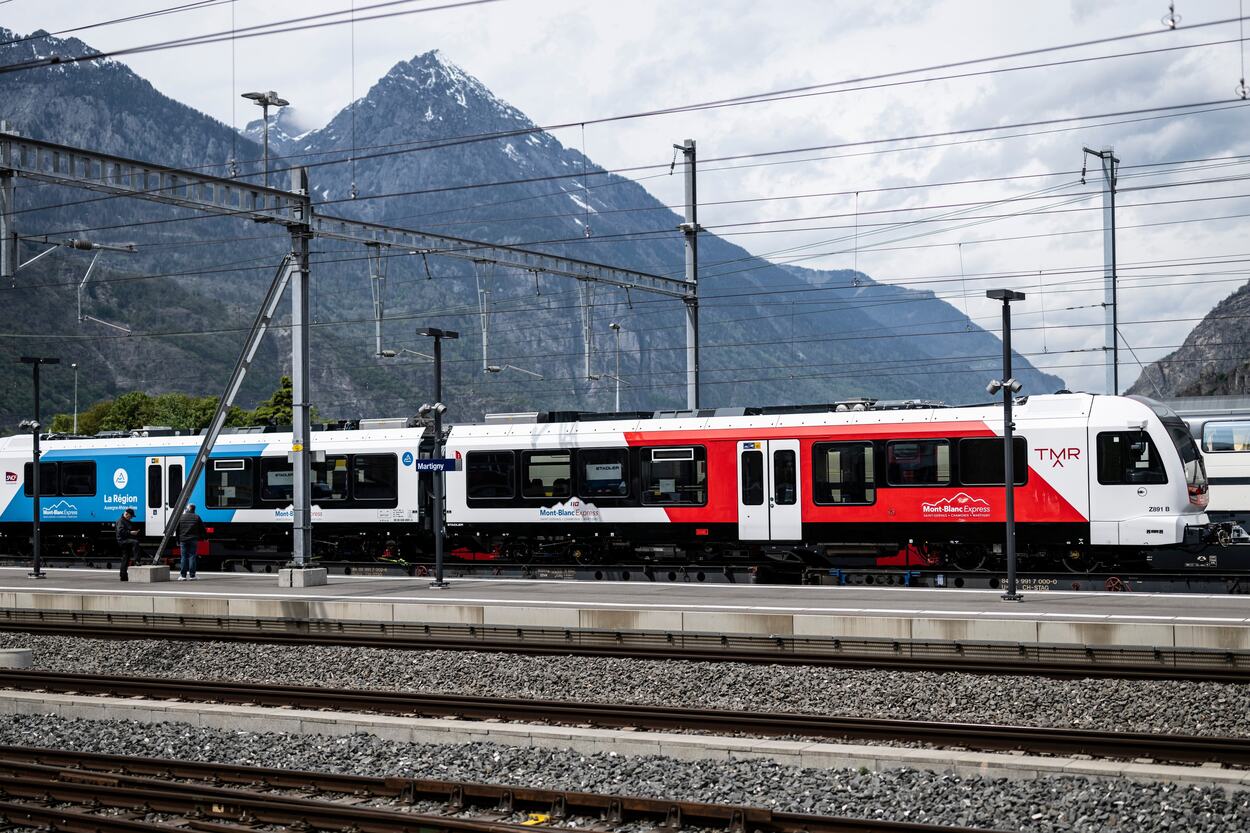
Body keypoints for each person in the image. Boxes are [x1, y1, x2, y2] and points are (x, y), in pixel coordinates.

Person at [177, 504, 206, 581]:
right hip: (193, 539)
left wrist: (177, 540)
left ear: (188, 509)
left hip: (183, 540)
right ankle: (192, 576)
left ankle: (183, 576)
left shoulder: (181, 517)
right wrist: (204, 537)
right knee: (192, 556)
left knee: (183, 557)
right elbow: (202, 529)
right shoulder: (197, 517)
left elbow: (177, 530)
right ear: (193, 509)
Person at [115, 507, 141, 581]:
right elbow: (121, 532)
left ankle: (123, 576)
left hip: (125, 540)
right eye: (131, 516)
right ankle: (137, 561)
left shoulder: (126, 521)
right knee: (135, 542)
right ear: (126, 514)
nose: (131, 518)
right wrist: (131, 532)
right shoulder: (121, 521)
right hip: (123, 541)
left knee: (126, 558)